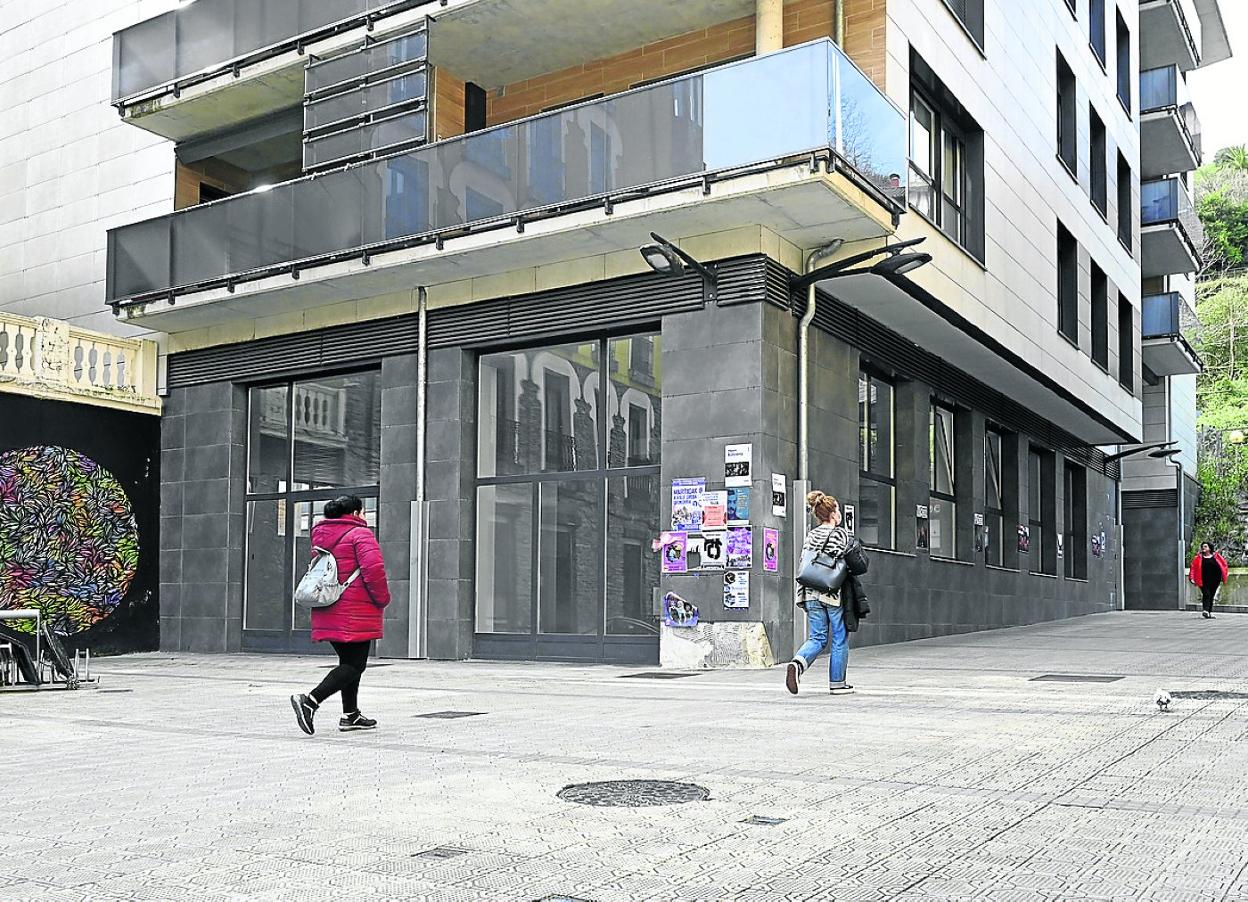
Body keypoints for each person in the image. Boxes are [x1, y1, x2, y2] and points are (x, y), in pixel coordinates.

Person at [290, 495, 391, 734]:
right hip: (354, 611)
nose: (365, 516)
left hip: (328, 608)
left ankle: (351, 715)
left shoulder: (322, 536)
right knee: (354, 665)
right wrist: (383, 599)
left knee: (349, 664)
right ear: (355, 513)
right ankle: (310, 701)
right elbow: (374, 570)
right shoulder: (360, 534)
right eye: (363, 512)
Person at [785, 490, 868, 696]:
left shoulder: (811, 535)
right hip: (832, 593)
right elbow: (857, 564)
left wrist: (801, 597)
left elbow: (804, 564)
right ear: (832, 513)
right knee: (839, 637)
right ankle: (837, 683)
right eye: (837, 510)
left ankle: (798, 663)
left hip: (810, 593)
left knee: (817, 637)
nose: (839, 514)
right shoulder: (840, 534)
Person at [1189, 542, 1229, 619]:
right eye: (1202, 546)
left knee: (1211, 595)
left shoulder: (1216, 556)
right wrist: (1192, 578)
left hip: (1215, 580)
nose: (1203, 548)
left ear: (1209, 548)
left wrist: (1224, 575)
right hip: (1203, 580)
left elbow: (1224, 565)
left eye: (1205, 546)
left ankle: (1209, 612)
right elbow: (1193, 568)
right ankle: (1205, 610)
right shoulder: (1198, 558)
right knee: (1206, 594)